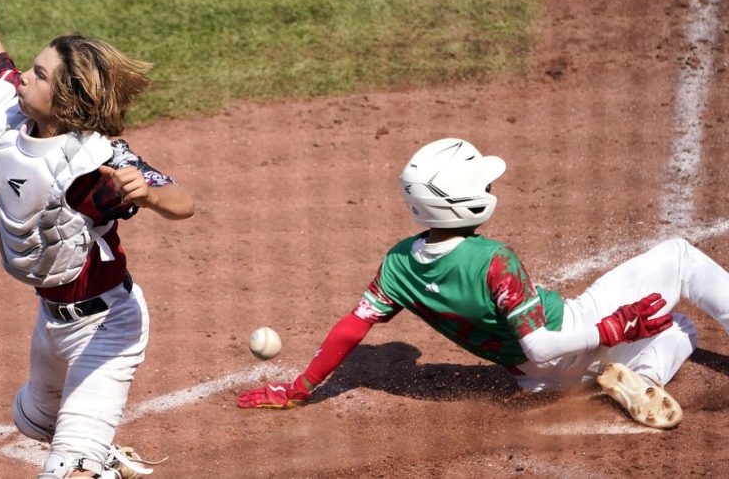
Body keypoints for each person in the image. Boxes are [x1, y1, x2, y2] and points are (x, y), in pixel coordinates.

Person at [238, 137, 729, 429]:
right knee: (679, 257)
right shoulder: (494, 260)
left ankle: (640, 378)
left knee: (680, 327)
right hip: (571, 335)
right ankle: (635, 366)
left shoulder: (398, 265)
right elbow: (540, 341)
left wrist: (299, 388)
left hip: (536, 379)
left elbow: (351, 328)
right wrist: (612, 328)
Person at [0, 0, 195, 479]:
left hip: (108, 326)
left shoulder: (95, 164)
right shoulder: (13, 113)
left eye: (37, 75)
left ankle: (87, 457)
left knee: (68, 467)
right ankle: (95, 453)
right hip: (51, 321)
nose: (22, 76)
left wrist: (150, 195)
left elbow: (185, 203)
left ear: (64, 102)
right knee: (34, 422)